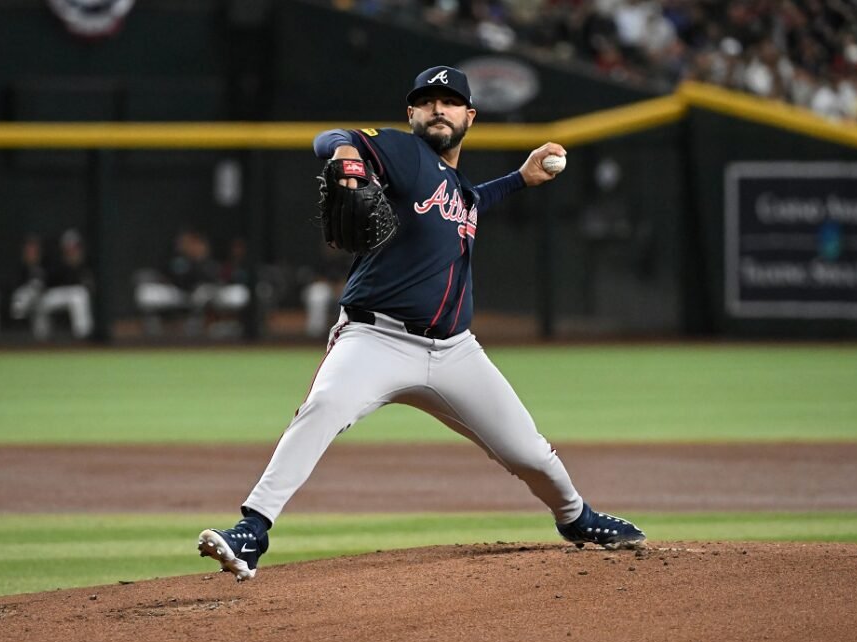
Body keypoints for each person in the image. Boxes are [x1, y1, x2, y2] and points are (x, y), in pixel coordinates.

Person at [198, 66, 645, 582]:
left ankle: (578, 519)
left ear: (469, 116)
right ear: (411, 114)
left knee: (530, 452)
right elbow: (333, 138)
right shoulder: (403, 154)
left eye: (451, 101)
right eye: (428, 101)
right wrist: (346, 154)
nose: (439, 109)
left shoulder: (457, 188)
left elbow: (474, 203)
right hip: (375, 339)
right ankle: (251, 531)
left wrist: (520, 180)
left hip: (456, 353)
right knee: (322, 408)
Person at [33, 228, 94, 340]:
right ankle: (41, 340)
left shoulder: (83, 261)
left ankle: (83, 337)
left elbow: (88, 284)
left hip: (72, 294)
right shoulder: (54, 260)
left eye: (74, 246)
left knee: (80, 295)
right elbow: (46, 280)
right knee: (39, 303)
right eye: (69, 246)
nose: (72, 248)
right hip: (54, 294)